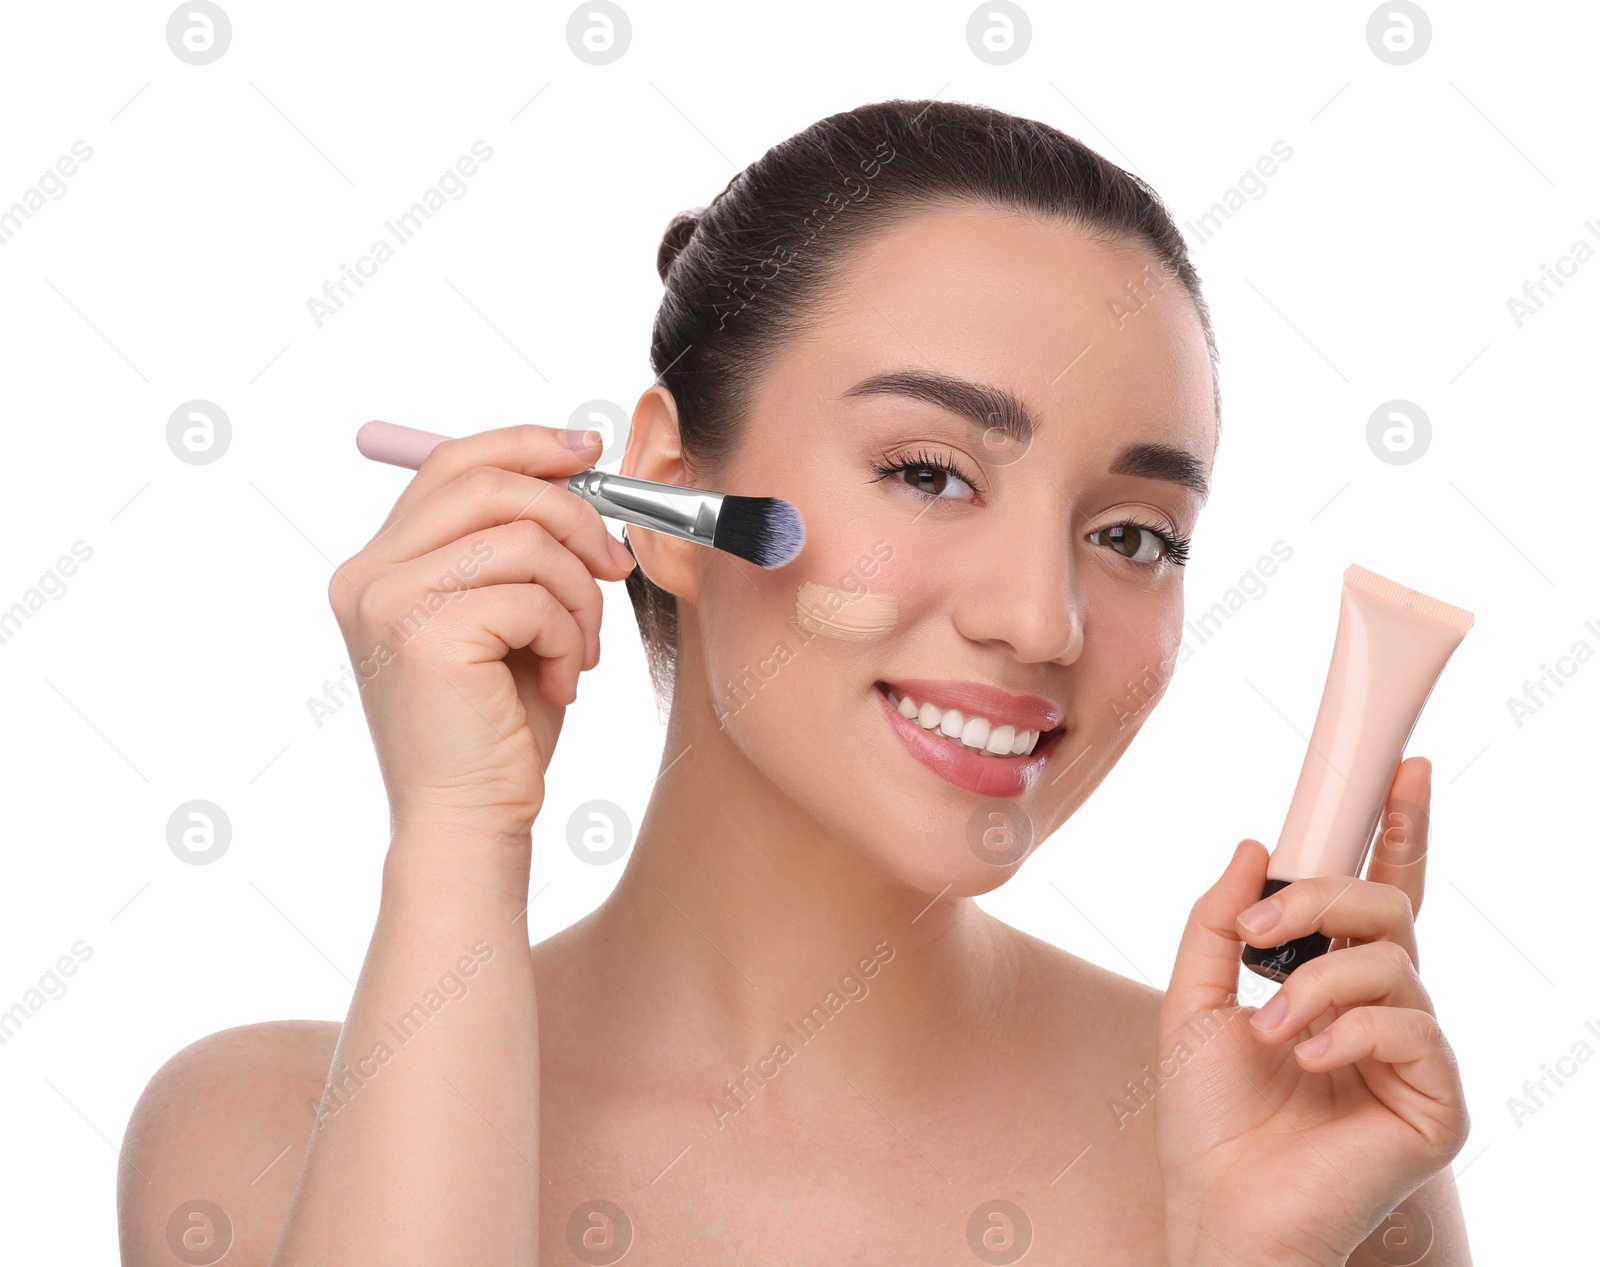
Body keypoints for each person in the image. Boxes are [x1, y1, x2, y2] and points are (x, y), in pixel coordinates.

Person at [118, 99, 1470, 1265]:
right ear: (669, 492)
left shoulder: (1301, 1146)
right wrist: (460, 841)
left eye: (1133, 537)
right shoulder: (262, 1132)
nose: (1039, 619)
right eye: (928, 473)